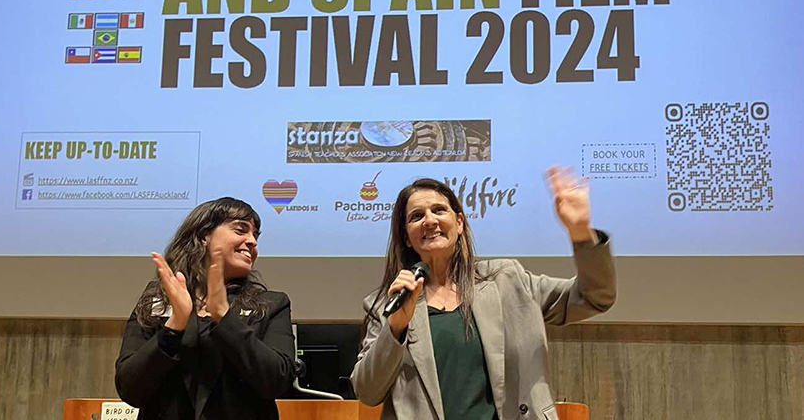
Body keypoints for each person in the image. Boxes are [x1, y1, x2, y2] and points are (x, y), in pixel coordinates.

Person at [352, 167, 616, 420]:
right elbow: (368, 392)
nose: (430, 220)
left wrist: (581, 235)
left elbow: (594, 297)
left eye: (439, 210)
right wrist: (396, 326)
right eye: (416, 216)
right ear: (407, 237)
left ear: (459, 222)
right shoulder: (385, 305)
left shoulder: (507, 279)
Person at [115, 197, 297, 420]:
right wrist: (175, 326)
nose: (252, 242)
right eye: (241, 230)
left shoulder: (271, 304)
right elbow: (130, 390)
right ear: (203, 235)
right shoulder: (159, 298)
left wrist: (224, 318)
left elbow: (277, 383)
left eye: (255, 236)